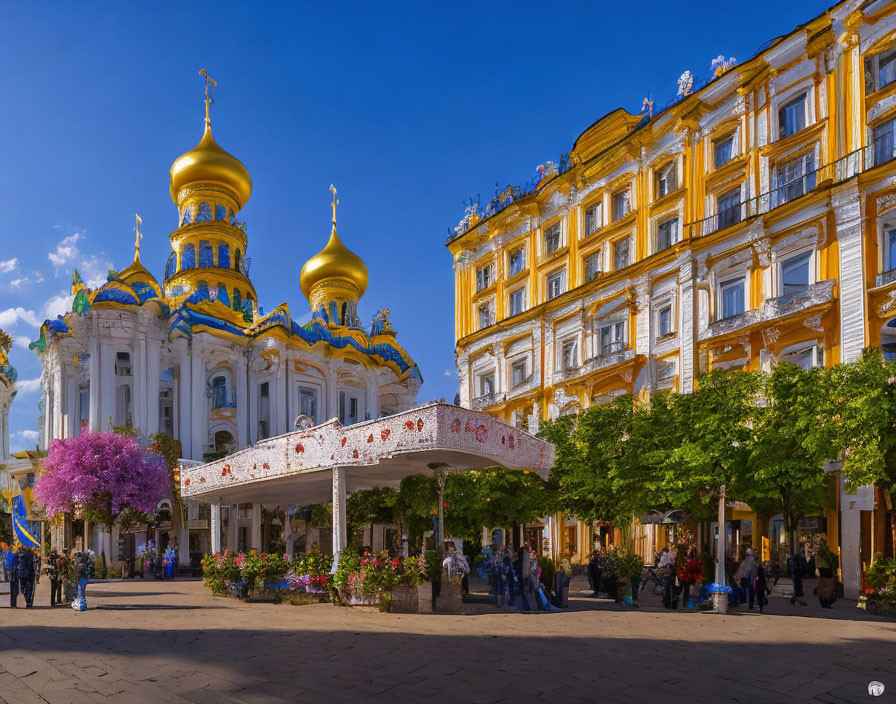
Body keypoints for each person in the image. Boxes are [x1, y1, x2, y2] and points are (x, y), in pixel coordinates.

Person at [5, 543, 20, 607]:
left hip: (12, 572)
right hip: (14, 572)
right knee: (14, 589)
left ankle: (13, 603)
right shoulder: (14, 554)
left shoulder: (8, 554)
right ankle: (13, 603)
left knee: (13, 588)